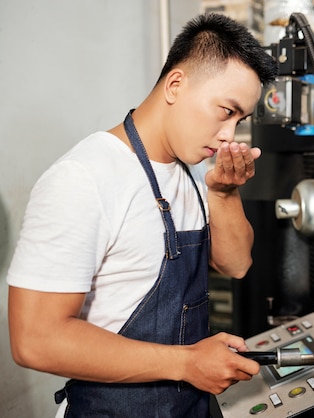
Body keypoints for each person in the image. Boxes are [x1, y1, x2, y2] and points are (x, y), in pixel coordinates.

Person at [7, 12, 277, 417]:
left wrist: (223, 192)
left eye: (240, 120)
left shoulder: (188, 173)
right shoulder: (84, 177)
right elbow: (35, 339)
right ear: (175, 84)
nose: (229, 135)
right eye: (226, 111)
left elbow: (236, 264)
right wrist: (188, 363)